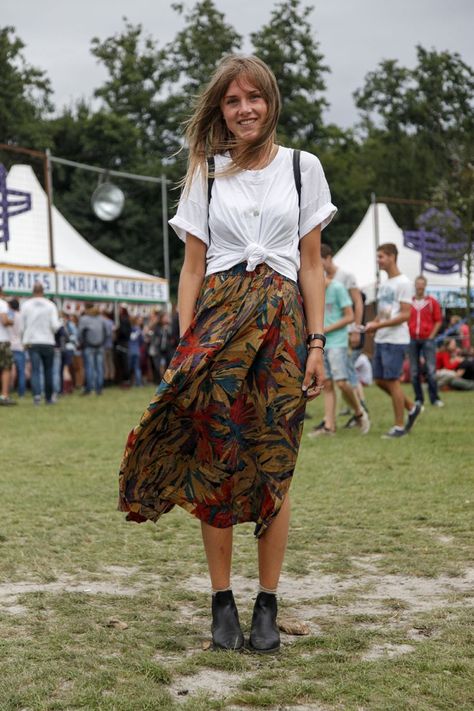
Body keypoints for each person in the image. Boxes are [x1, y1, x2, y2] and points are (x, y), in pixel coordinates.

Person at [118, 55, 336, 653]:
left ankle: (268, 601)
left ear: (271, 102)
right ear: (221, 109)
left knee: (275, 460)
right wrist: (189, 341)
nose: (245, 109)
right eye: (233, 101)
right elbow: (191, 269)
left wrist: (317, 343)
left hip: (285, 326)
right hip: (217, 322)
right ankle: (222, 602)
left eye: (254, 98)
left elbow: (312, 265)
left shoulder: (302, 168)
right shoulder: (205, 172)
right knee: (215, 458)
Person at [365, 243, 420, 438]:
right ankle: (412, 407)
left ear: (392, 257)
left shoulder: (404, 282)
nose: (378, 260)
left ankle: (399, 427)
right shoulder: (385, 284)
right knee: (380, 380)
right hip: (382, 337)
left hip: (396, 340)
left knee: (392, 381)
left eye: (381, 257)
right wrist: (374, 324)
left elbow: (405, 315)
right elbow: (384, 313)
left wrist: (377, 326)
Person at [308, 275, 369, 436]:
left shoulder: (337, 288)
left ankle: (359, 412)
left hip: (338, 342)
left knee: (341, 383)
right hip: (322, 344)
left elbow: (349, 316)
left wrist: (326, 330)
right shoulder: (316, 290)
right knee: (326, 385)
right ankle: (329, 426)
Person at [320, 242, 367, 424]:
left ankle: (359, 409)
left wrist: (356, 330)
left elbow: (358, 303)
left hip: (344, 333)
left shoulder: (345, 276)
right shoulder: (321, 278)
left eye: (320, 261)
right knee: (339, 376)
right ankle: (333, 420)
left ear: (329, 258)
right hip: (328, 335)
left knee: (346, 375)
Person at [20, 282, 60, 405]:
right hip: (47, 341)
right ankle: (49, 398)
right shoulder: (50, 305)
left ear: (33, 291)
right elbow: (55, 326)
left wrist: (23, 340)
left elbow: (22, 326)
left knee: (35, 370)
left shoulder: (26, 305)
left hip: (32, 342)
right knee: (49, 370)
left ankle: (37, 396)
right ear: (43, 291)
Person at [408, 275, 443, 407]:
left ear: (425, 286)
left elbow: (438, 320)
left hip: (427, 339)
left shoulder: (432, 302)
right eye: (418, 284)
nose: (420, 286)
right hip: (412, 339)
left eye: (422, 284)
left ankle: (434, 399)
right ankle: (418, 399)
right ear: (415, 285)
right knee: (414, 371)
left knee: (431, 369)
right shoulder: (409, 302)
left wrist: (431, 335)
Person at [78, 303, 107, 395]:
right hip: (100, 346)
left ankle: (89, 389)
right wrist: (103, 342)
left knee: (89, 368)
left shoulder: (84, 319)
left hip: (89, 346)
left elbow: (80, 334)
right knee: (99, 368)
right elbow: (106, 332)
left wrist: (82, 343)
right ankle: (99, 389)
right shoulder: (101, 318)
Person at [0, 287, 16, 405]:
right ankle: (4, 395)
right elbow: (5, 321)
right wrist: (12, 321)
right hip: (2, 339)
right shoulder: (2, 304)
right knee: (6, 368)